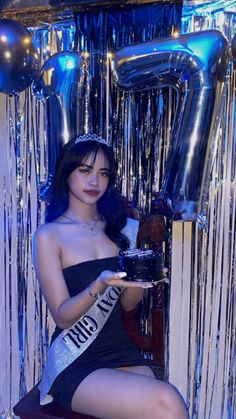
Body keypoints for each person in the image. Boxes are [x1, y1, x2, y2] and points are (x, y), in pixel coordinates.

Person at [33, 133, 189, 419]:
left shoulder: (121, 230)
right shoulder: (48, 236)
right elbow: (63, 317)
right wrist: (99, 283)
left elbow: (129, 305)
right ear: (67, 173)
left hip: (120, 352)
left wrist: (143, 280)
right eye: (85, 170)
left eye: (103, 173)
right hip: (75, 360)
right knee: (168, 402)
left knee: (161, 405)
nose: (94, 182)